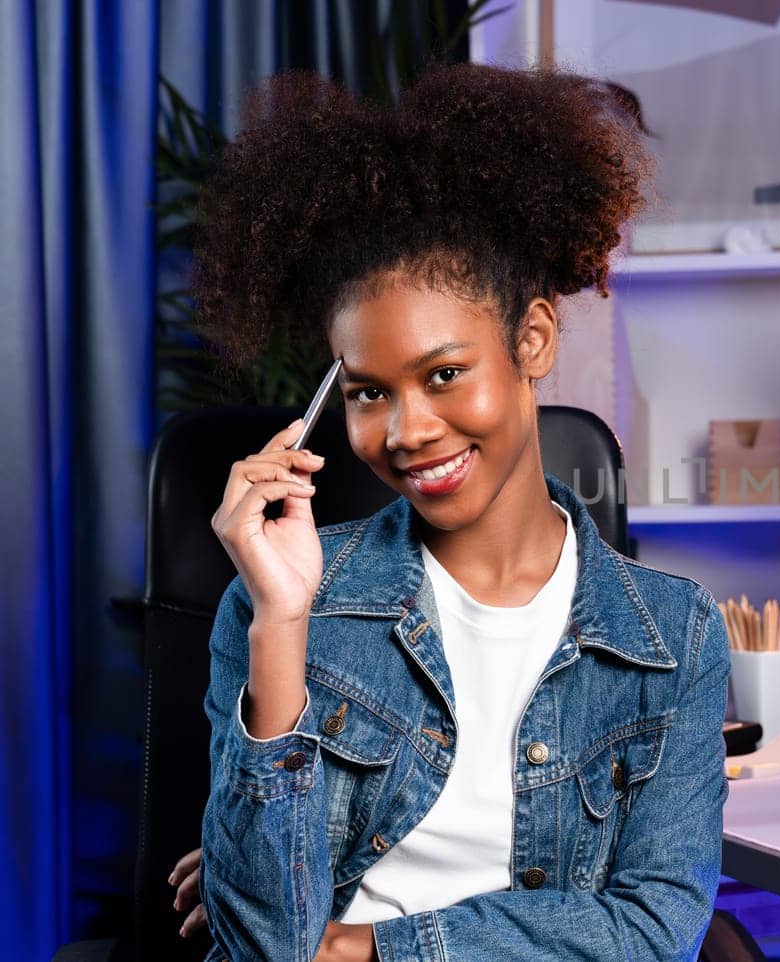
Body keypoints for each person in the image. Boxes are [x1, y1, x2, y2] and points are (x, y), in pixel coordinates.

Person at [167, 63, 729, 962]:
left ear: (532, 341)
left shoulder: (674, 636)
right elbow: (264, 946)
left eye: (443, 374)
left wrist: (366, 949)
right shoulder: (282, 608)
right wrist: (281, 623)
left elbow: (654, 930)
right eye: (366, 393)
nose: (408, 430)